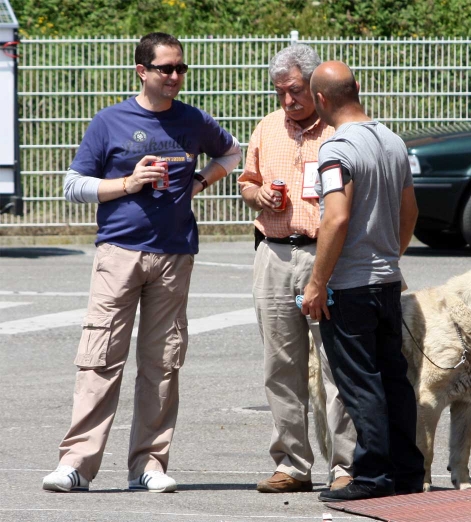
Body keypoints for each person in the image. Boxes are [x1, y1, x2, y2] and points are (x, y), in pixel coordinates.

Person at [42, 32, 241, 493]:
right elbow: (74, 185)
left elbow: (231, 152)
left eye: (180, 69)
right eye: (166, 69)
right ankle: (76, 464)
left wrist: (200, 182)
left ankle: (148, 465)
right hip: (119, 253)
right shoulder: (110, 121)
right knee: (100, 359)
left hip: (174, 256)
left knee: (163, 363)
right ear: (142, 71)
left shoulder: (193, 121)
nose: (175, 77)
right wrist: (128, 184)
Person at [302, 61, 425, 502]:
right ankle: (408, 473)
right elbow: (409, 213)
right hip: (387, 281)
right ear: (358, 89)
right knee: (394, 378)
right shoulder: (393, 141)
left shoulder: (335, 150)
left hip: (350, 287)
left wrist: (317, 282)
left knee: (361, 382)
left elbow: (336, 217)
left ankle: (372, 476)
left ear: (320, 100)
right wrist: (389, 254)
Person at [237, 45, 356, 494]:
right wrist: (259, 194)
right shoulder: (267, 128)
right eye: (280, 92)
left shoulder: (338, 132)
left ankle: (346, 466)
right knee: (280, 365)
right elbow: (246, 181)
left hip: (323, 253)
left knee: (335, 365)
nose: (288, 100)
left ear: (316, 88)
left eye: (295, 90)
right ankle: (292, 463)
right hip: (273, 254)